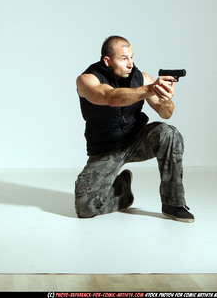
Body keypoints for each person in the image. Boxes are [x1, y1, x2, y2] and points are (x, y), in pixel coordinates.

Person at [74, 35, 194, 222]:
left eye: (131, 57)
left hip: (135, 141)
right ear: (107, 60)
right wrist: (151, 89)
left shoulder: (143, 79)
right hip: (105, 149)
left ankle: (174, 203)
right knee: (85, 208)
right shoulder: (87, 80)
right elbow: (110, 97)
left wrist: (165, 99)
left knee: (169, 133)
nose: (130, 64)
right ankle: (122, 191)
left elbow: (166, 113)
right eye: (124, 59)